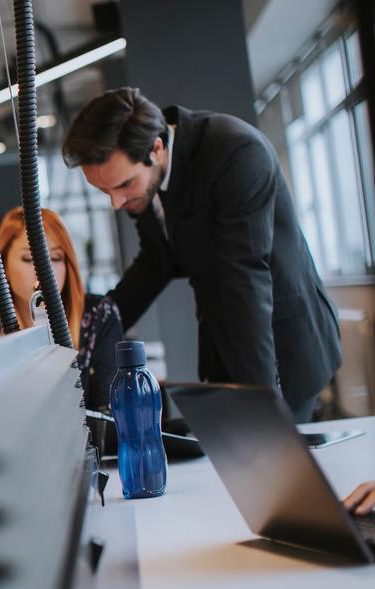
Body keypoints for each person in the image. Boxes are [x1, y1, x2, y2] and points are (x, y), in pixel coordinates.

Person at [62, 87, 341, 423]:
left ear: (157, 148)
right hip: (224, 338)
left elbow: (245, 279)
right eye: (104, 190)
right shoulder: (143, 181)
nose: (116, 203)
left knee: (276, 462)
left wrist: (262, 404)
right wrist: (90, 323)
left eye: (123, 185)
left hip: (278, 339)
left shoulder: (235, 151)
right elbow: (158, 260)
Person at [0, 206, 122, 411]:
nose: (44, 269)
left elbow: (109, 413)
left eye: (55, 258)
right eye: (28, 258)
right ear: (2, 265)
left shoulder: (99, 314)